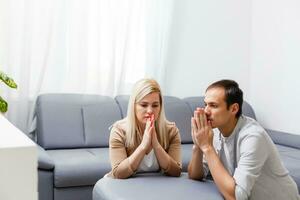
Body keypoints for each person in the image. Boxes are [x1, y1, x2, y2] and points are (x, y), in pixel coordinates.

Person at [188, 79, 299, 200]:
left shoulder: (253, 136)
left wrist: (207, 147)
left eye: (213, 105)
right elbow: (196, 175)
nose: (206, 111)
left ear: (234, 109)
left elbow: (236, 197)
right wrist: (198, 145)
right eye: (206, 104)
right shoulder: (214, 131)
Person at [107, 78, 182, 179]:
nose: (150, 110)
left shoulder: (171, 131)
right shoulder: (119, 130)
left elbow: (176, 172)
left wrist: (156, 145)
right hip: (125, 185)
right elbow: (118, 174)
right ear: (134, 106)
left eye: (155, 105)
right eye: (144, 105)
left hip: (156, 186)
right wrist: (143, 146)